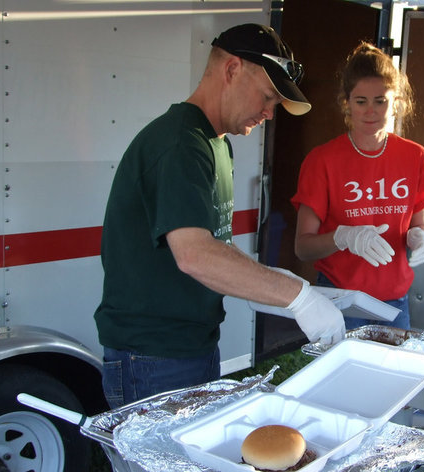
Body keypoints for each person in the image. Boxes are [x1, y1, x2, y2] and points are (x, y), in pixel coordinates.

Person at [94, 24, 345, 409]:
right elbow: (194, 254)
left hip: (192, 345)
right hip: (152, 356)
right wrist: (299, 298)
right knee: (160, 471)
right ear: (231, 70)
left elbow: (216, 248)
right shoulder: (180, 144)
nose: (269, 113)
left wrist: (276, 282)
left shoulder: (217, 146)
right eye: (267, 97)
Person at [290, 42, 424, 331]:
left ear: (396, 101)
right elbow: (302, 247)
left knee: (393, 375)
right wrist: (343, 237)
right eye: (361, 101)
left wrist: (419, 238)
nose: (371, 111)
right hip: (342, 300)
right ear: (346, 103)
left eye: (380, 100)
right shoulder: (322, 160)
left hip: (395, 301)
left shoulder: (416, 156)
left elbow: (419, 225)